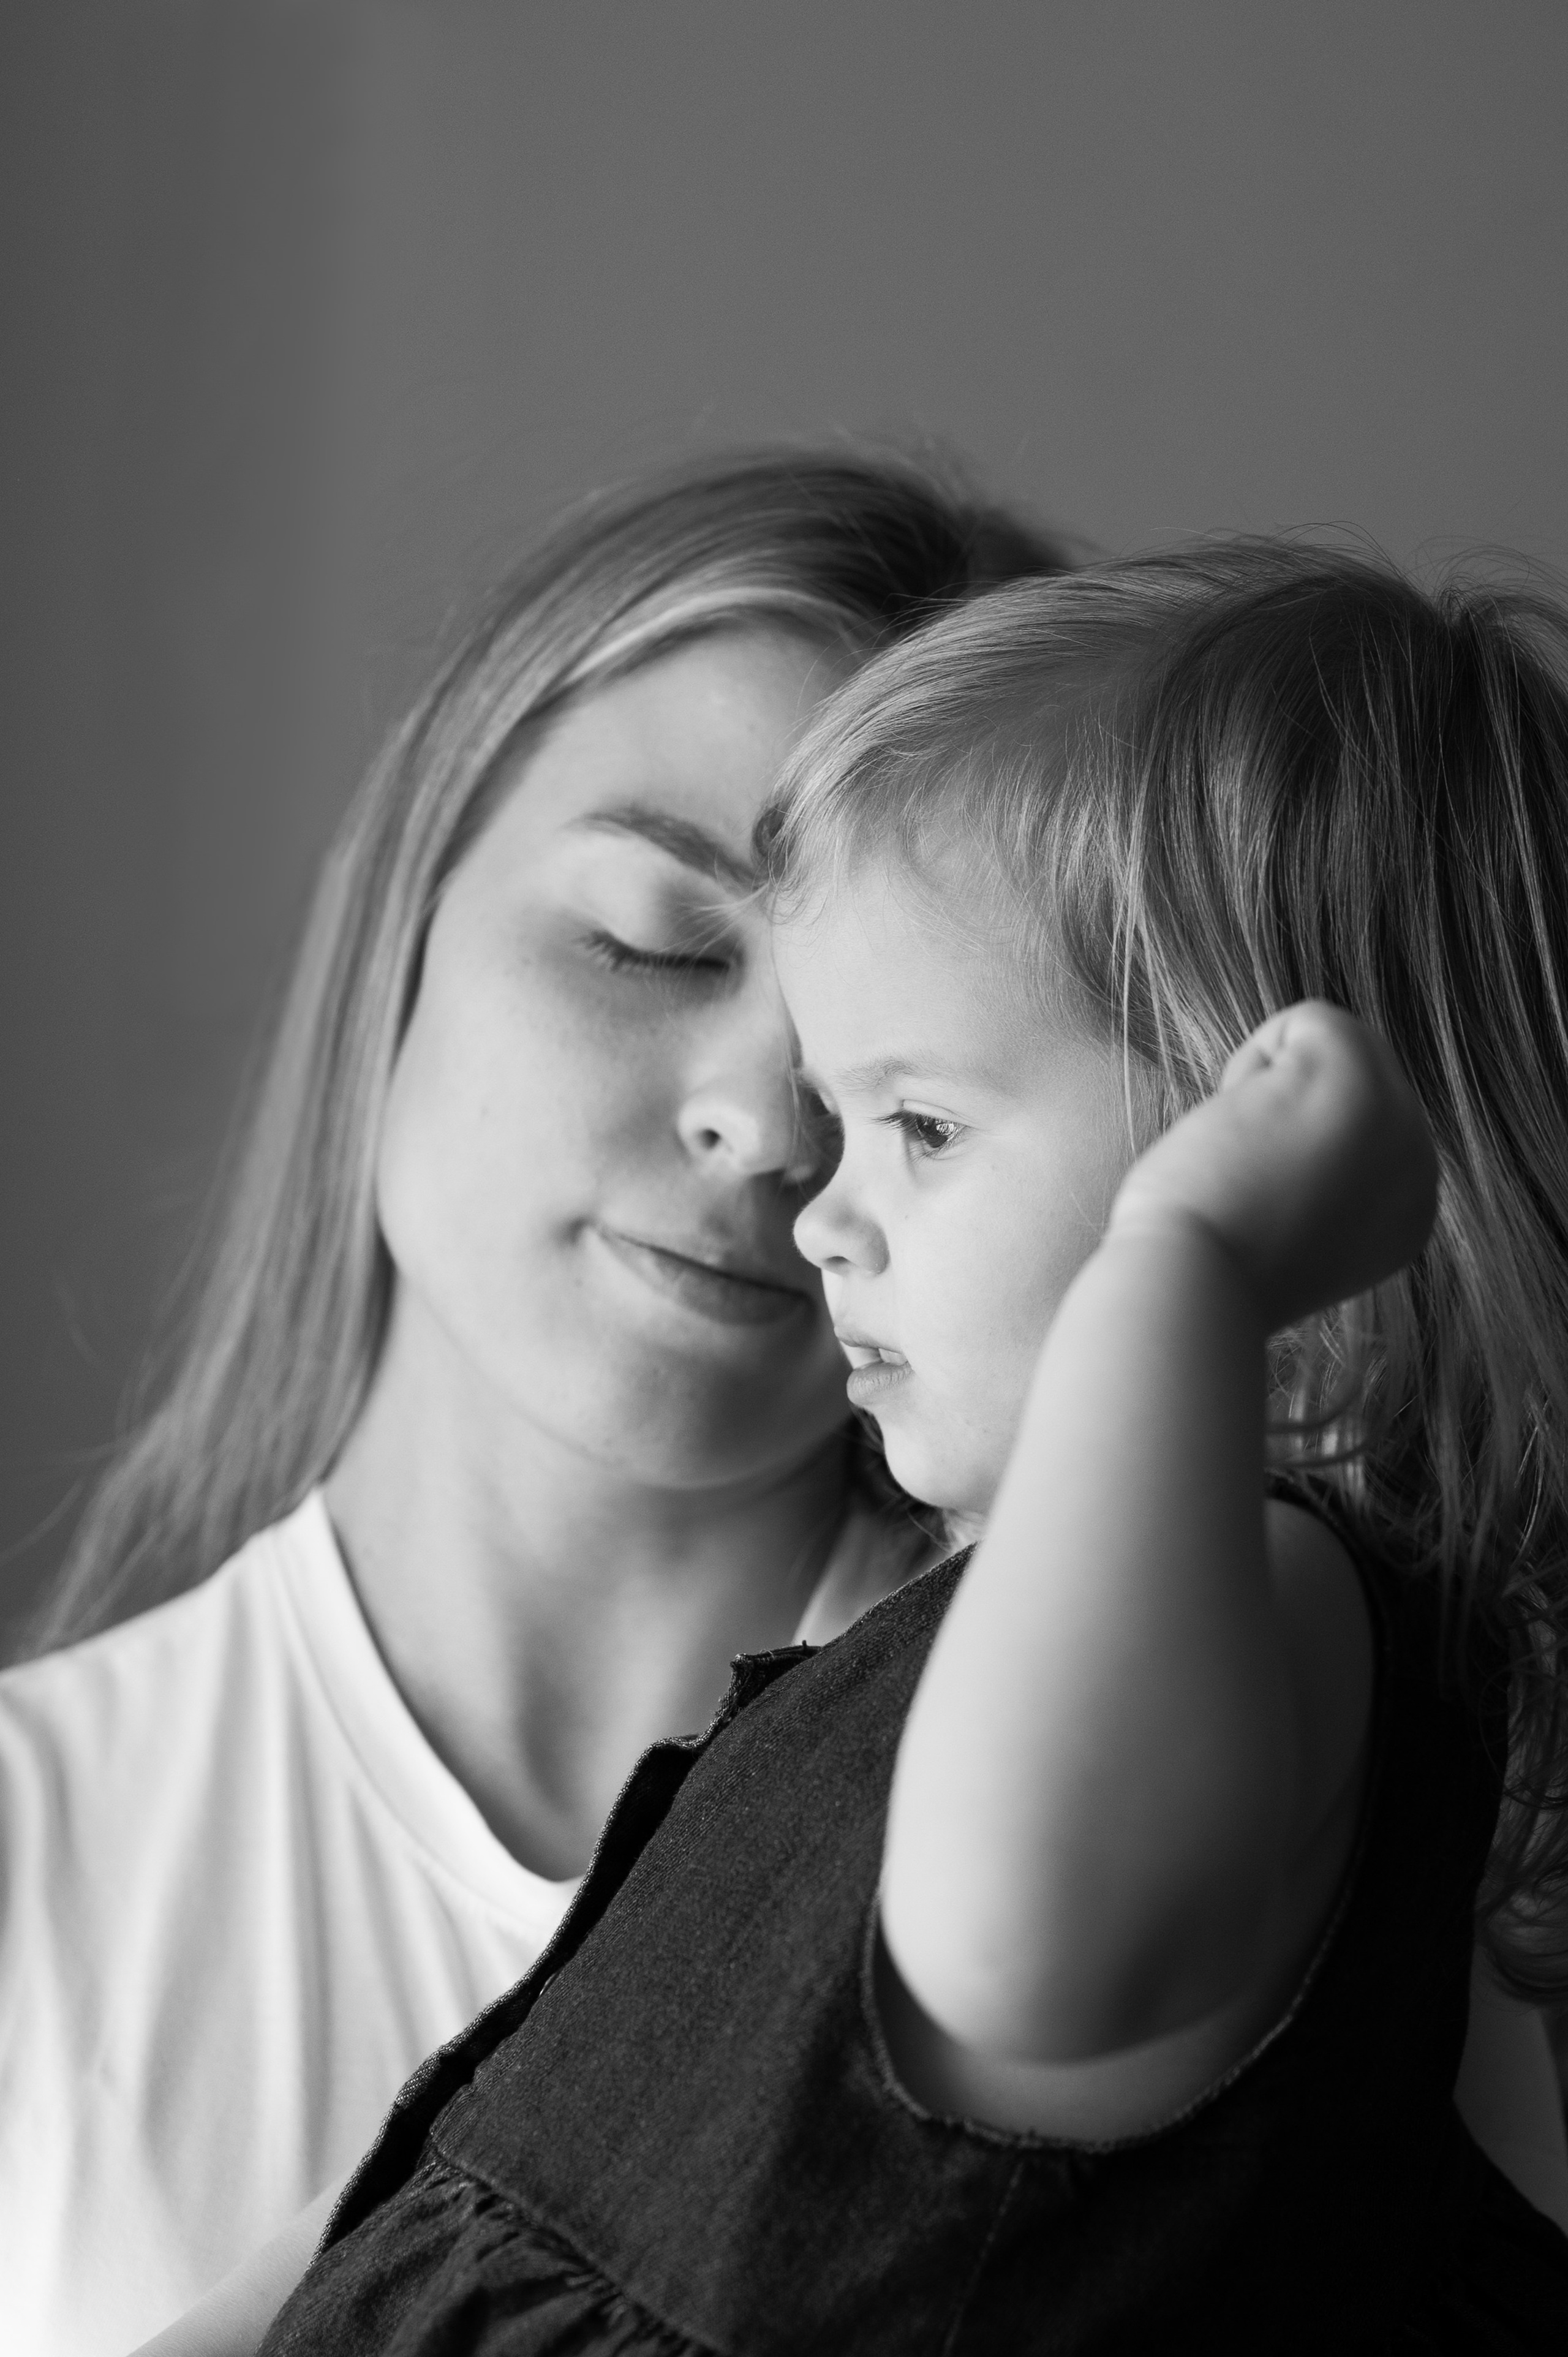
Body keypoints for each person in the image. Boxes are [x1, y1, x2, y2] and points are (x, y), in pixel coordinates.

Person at [233, 543, 1568, 2351]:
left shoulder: (1277, 1607)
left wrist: (1179, 1276)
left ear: (1299, 1171)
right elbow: (534, 2171)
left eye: (920, 1126)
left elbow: (1012, 1945)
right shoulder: (956, 1659)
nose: (819, 1219)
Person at [0, 451, 1072, 2356]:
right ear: (403, 916)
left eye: (896, 1059)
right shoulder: (40, 1863)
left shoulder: (1188, 1806)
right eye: (658, 942)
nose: (767, 1122)